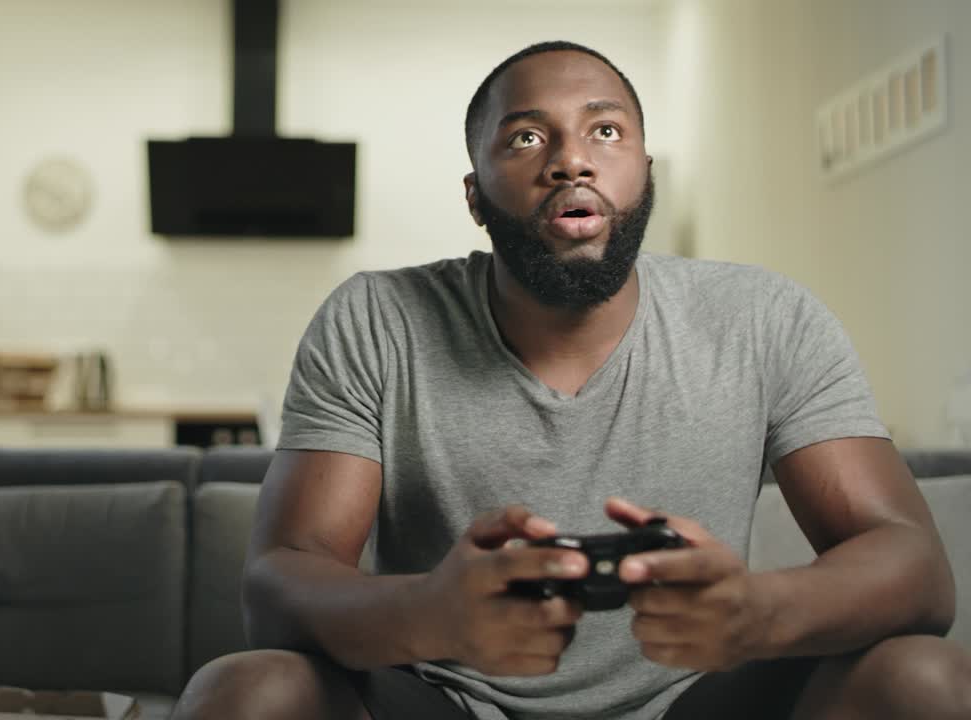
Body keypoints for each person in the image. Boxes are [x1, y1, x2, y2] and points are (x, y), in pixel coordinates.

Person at [171, 41, 971, 720]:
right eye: (525, 138)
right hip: (446, 697)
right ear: (475, 198)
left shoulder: (765, 317)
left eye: (605, 129)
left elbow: (918, 573)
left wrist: (759, 613)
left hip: (699, 699)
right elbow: (278, 585)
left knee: (926, 679)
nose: (570, 159)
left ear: (645, 172)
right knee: (246, 690)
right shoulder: (377, 318)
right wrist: (430, 614)